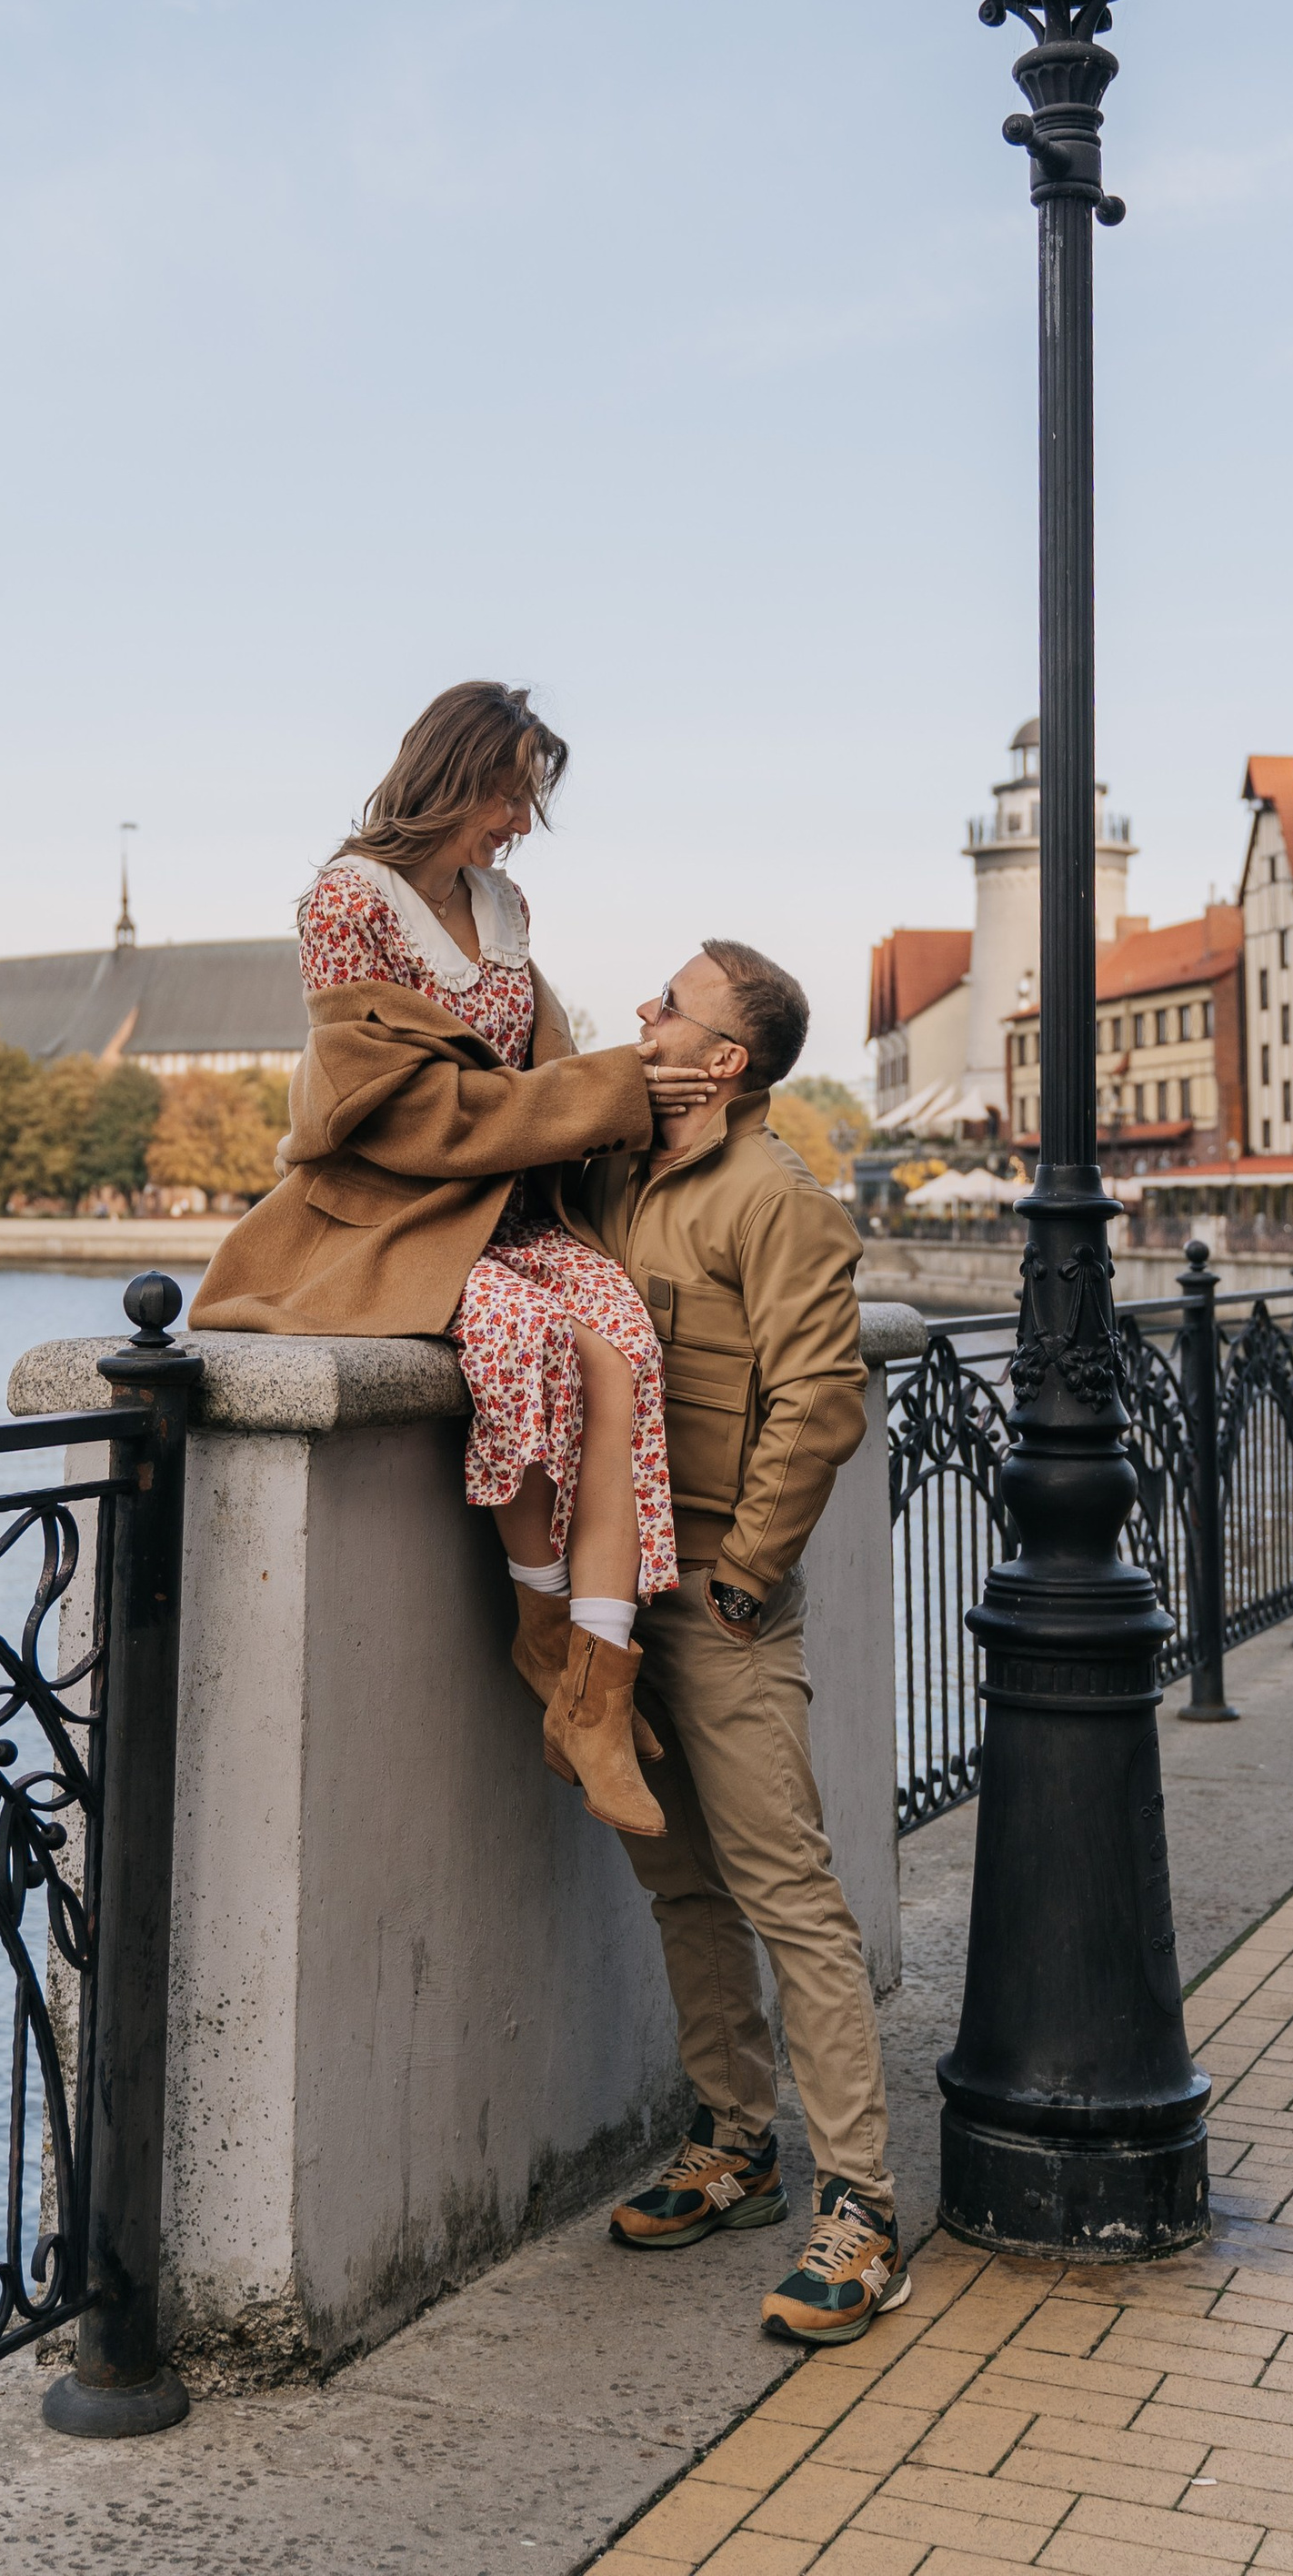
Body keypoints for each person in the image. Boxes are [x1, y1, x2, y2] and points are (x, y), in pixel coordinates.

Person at [191, 680, 715, 1836]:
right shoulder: (346, 905)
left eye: (527, 800)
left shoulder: (503, 901)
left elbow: (534, 1078)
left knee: (624, 1339)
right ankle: (542, 1637)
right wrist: (604, 1090)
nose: (519, 821)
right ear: (452, 776)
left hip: (511, 1210)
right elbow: (404, 1112)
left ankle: (594, 1680)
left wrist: (625, 1106)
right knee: (526, 1340)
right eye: (509, 794)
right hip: (394, 1217)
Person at [546, 939, 906, 2348]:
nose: (643, 1015)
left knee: (786, 1894)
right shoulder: (612, 1174)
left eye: (669, 1007)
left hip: (716, 1600)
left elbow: (819, 1404)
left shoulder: (780, 1203)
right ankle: (737, 2142)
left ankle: (863, 2207)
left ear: (726, 1061)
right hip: (608, 1602)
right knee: (680, 1886)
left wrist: (745, 1582)